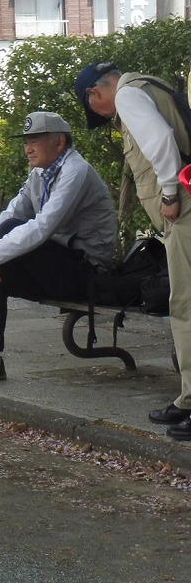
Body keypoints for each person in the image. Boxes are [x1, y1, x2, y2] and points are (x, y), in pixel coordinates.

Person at [0, 112, 116, 383]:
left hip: (86, 273)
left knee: (6, 243)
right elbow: (13, 211)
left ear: (59, 142)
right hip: (56, 268)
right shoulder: (40, 173)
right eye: (25, 142)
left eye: (34, 141)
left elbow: (43, 226)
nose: (27, 148)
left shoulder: (75, 171)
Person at [75, 62, 191, 440]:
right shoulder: (150, 84)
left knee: (186, 306)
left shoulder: (127, 95)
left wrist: (170, 195)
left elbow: (160, 141)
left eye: (97, 111)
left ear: (94, 93)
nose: (106, 118)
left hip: (184, 208)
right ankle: (187, 399)